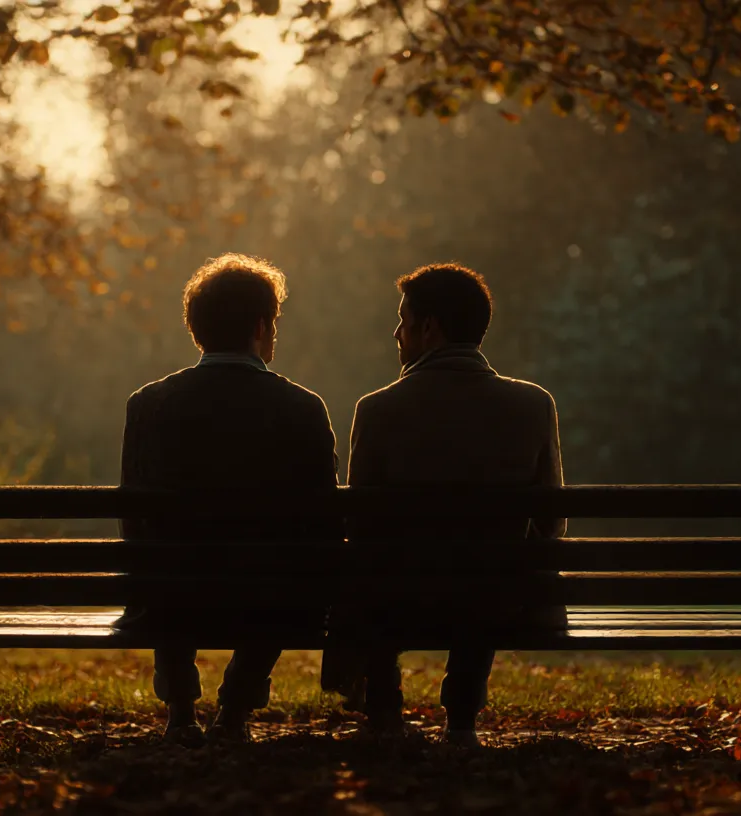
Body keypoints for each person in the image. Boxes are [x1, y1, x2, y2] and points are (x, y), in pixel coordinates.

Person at [323, 262, 565, 746]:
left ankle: (384, 706)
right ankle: (460, 721)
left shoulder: (377, 409)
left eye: (402, 319)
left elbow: (361, 527)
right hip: (502, 604)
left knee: (373, 568)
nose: (396, 333)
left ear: (428, 327)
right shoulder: (532, 404)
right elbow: (552, 523)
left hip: (400, 601)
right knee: (490, 573)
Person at [118, 253, 338, 746]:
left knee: (162, 562)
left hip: (170, 598)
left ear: (197, 328)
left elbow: (135, 518)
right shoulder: (302, 408)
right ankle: (235, 708)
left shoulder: (147, 404)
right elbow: (321, 522)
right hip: (269, 601)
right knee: (282, 577)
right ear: (261, 326)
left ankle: (180, 710)